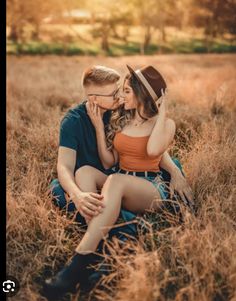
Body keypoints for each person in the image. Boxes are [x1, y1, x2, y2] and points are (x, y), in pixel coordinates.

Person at [43, 65, 194, 299]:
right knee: (83, 172)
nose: (120, 98)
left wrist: (163, 112)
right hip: (117, 179)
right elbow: (105, 161)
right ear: (94, 99)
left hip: (147, 186)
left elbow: (154, 150)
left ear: (141, 94)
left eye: (124, 92)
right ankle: (106, 244)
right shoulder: (119, 118)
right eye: (116, 93)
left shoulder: (163, 123)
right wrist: (98, 129)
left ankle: (80, 261)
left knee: (115, 180)